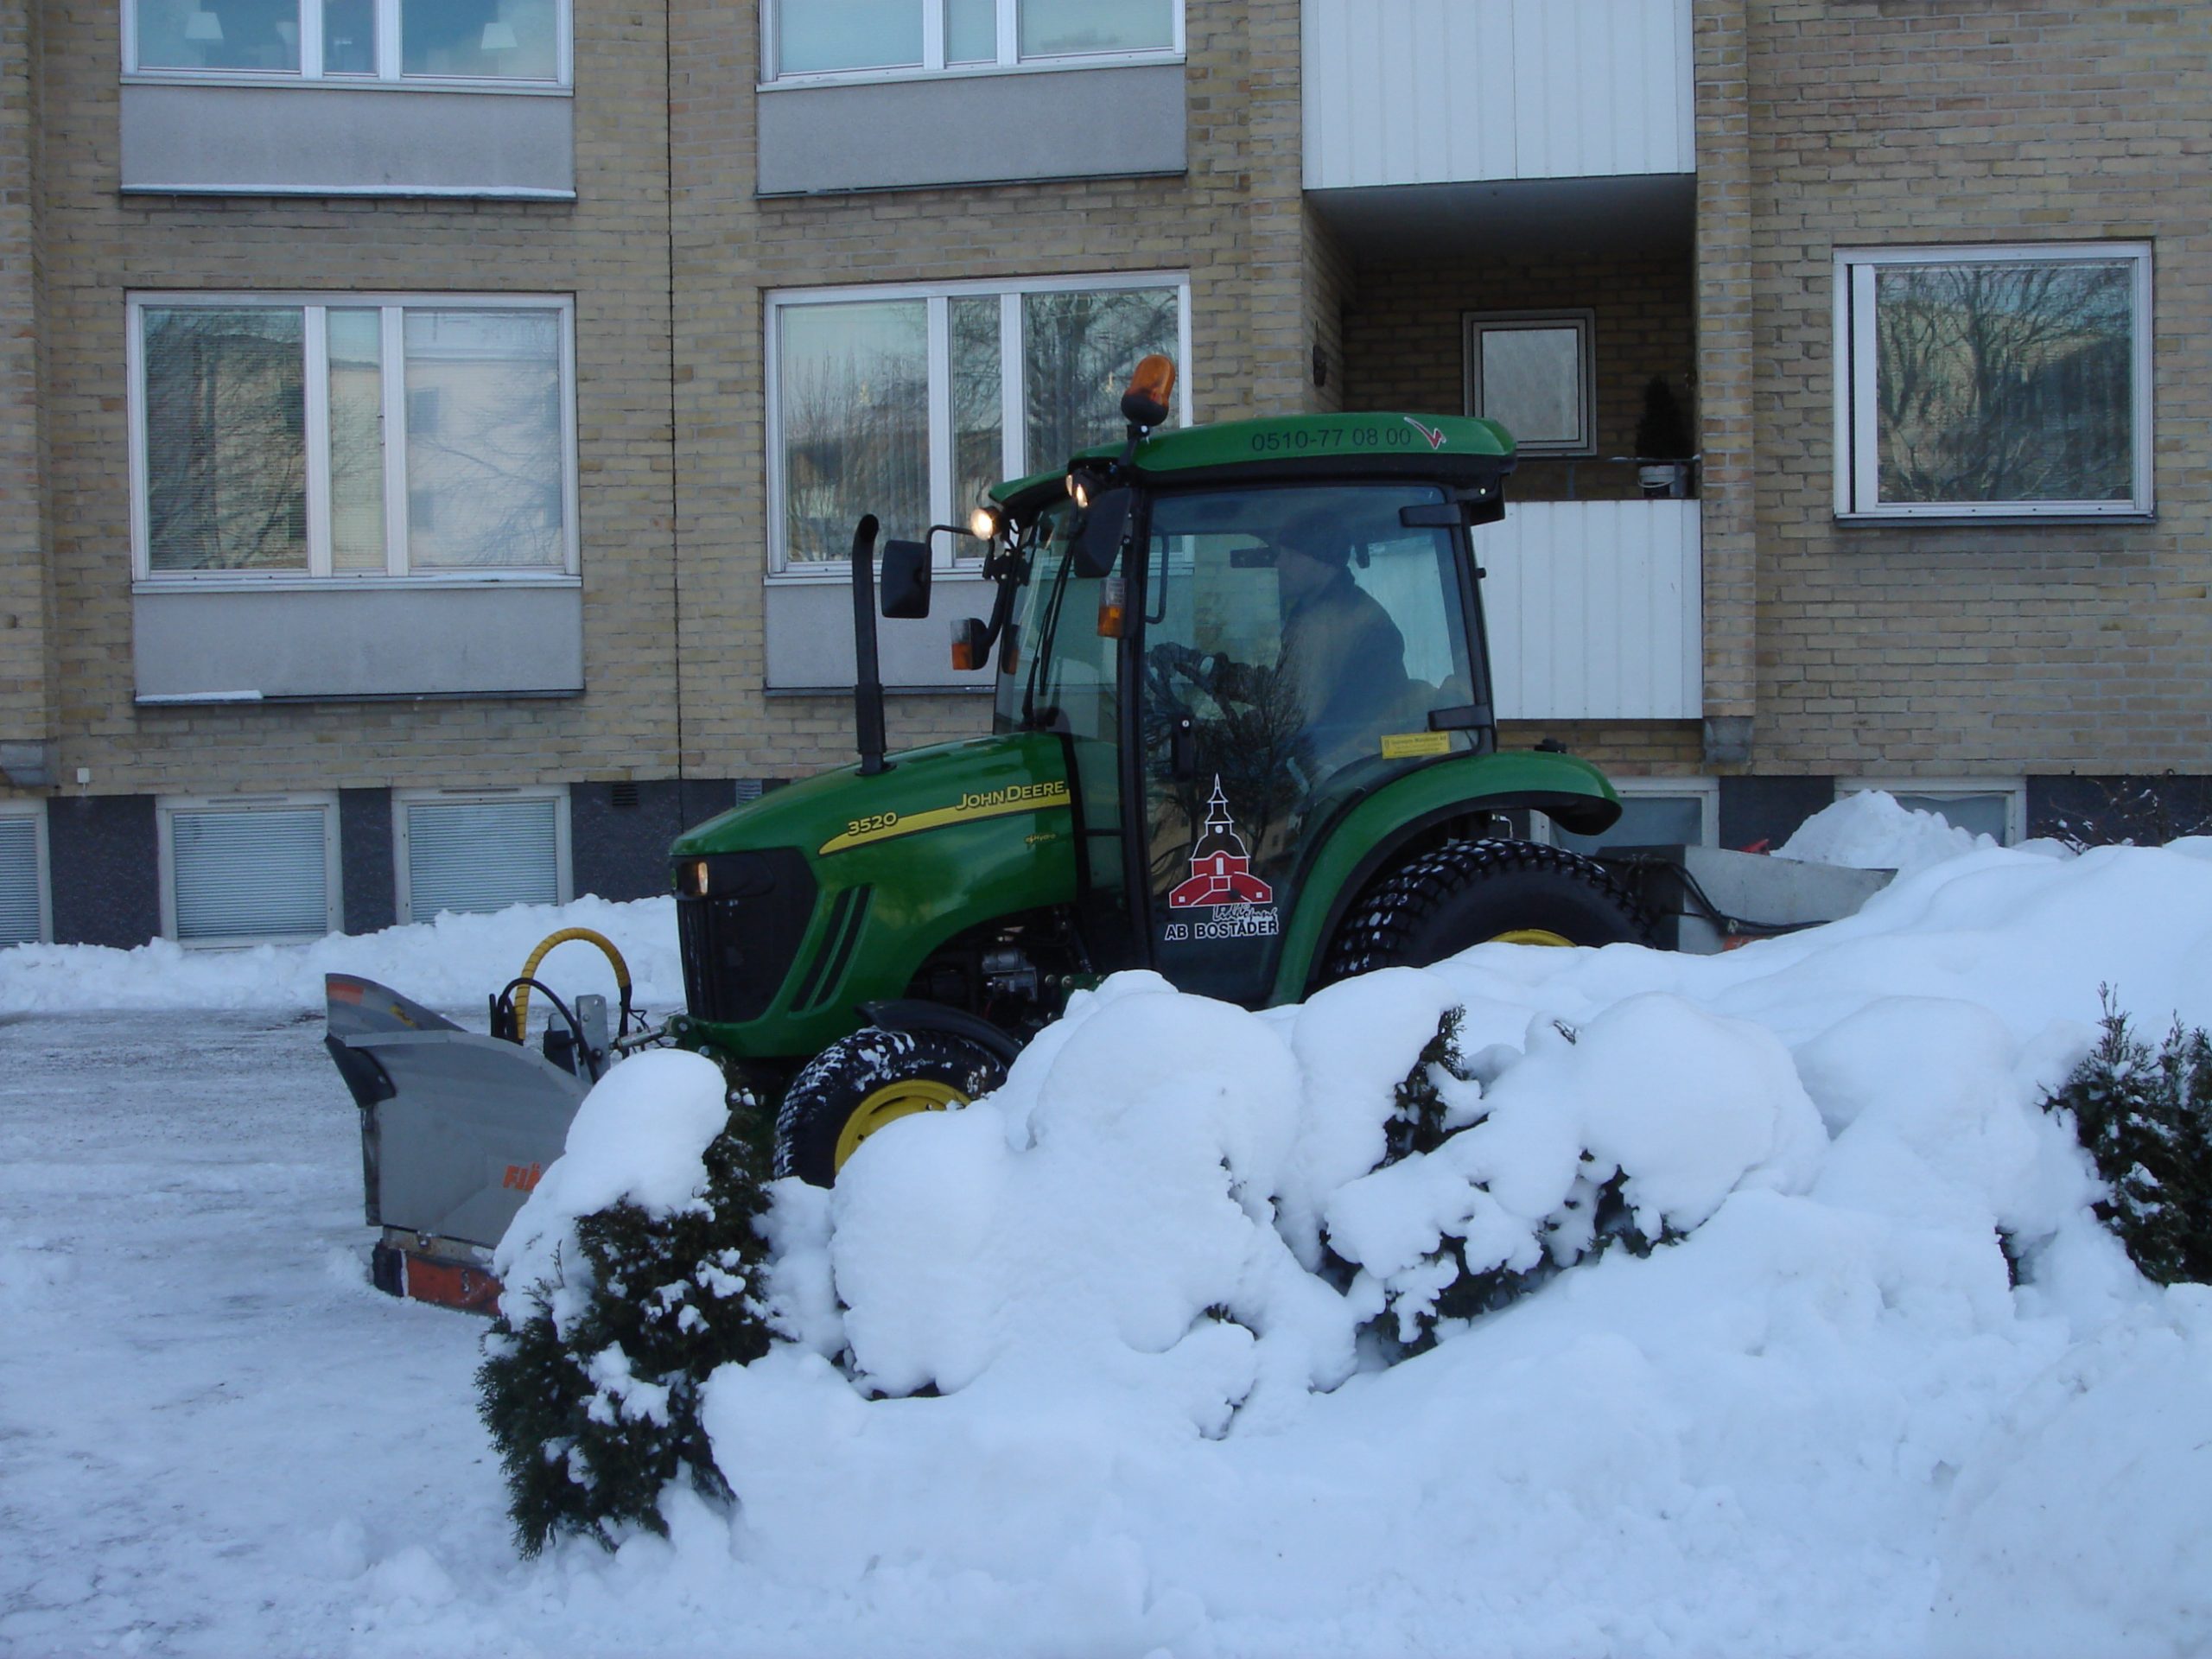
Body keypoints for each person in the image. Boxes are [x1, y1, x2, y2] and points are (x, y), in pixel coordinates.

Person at [1269, 507, 1411, 761]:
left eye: (1290, 554)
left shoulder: (1362, 624)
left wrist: (1289, 751)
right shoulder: (1307, 613)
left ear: (1321, 559)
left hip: (1345, 768)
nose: (1278, 563)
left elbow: (1343, 719)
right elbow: (1289, 691)